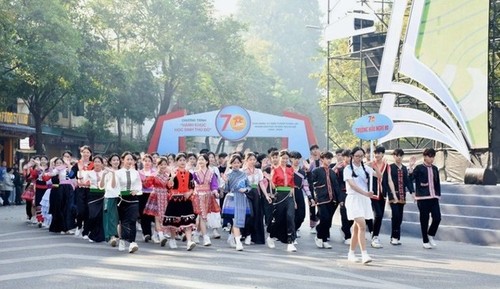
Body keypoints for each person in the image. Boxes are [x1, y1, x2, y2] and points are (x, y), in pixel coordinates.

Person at [344, 147, 374, 264]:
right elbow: (352, 185)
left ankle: (351, 253)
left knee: (357, 229)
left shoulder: (366, 168)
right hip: (353, 199)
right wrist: (366, 193)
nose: (359, 158)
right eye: (357, 156)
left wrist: (374, 165)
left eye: (361, 156)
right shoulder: (347, 169)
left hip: (364, 200)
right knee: (362, 225)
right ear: (352, 156)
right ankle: (364, 254)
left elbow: (380, 176)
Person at [163, 153, 197, 251]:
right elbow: (169, 186)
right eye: (180, 160)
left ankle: (189, 241)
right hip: (175, 200)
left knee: (188, 220)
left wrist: (189, 192)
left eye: (183, 160)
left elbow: (192, 187)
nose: (182, 162)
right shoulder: (173, 173)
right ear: (177, 162)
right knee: (174, 221)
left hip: (186, 200)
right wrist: (172, 177)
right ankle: (172, 239)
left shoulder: (189, 174)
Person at [410, 148, 441, 249]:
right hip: (423, 198)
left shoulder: (435, 168)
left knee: (437, 218)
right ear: (425, 156)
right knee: (424, 219)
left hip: (434, 197)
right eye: (429, 156)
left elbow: (437, 183)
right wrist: (410, 167)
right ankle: (425, 240)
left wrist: (438, 194)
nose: (431, 159)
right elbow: (410, 178)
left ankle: (430, 234)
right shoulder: (419, 168)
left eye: (433, 157)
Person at [268, 150, 297, 252]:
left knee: (290, 217)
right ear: (279, 158)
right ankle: (271, 236)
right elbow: (273, 185)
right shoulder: (275, 170)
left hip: (289, 195)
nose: (285, 160)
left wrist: (294, 200)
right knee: (279, 219)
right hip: (279, 195)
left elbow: (292, 185)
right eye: (283, 158)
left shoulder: (290, 170)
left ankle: (290, 242)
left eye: (286, 158)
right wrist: (271, 179)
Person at [368, 146, 397, 249]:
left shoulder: (386, 166)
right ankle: (374, 236)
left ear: (383, 154)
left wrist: (393, 194)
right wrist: (372, 166)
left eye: (379, 153)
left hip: (382, 194)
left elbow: (389, 180)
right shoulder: (370, 165)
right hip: (372, 193)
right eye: (375, 153)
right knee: (378, 215)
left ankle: (374, 234)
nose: (377, 155)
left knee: (379, 215)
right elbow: (375, 175)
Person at [312, 151, 341, 249]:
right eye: (326, 158)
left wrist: (340, 199)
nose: (329, 160)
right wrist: (313, 197)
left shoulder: (332, 172)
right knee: (324, 218)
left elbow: (336, 186)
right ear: (321, 159)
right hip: (321, 199)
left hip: (332, 200)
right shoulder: (316, 171)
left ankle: (324, 239)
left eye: (330, 158)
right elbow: (311, 183)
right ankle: (320, 237)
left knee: (328, 220)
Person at [222, 154, 251, 251]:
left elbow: (249, 187)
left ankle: (231, 238)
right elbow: (226, 189)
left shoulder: (244, 174)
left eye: (238, 162)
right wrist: (225, 182)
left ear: (241, 163)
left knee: (239, 220)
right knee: (235, 220)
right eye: (234, 163)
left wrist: (245, 190)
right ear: (231, 164)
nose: (236, 164)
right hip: (232, 198)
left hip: (242, 198)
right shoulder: (228, 175)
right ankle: (238, 242)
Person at [115, 152, 142, 253]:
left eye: (131, 159)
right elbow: (115, 185)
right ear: (123, 160)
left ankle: (132, 242)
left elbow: (139, 185)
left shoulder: (135, 172)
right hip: (121, 198)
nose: (130, 161)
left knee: (132, 220)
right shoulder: (118, 173)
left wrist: (136, 190)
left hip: (133, 198)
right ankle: (122, 240)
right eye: (128, 159)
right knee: (122, 221)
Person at [388, 148, 415, 245]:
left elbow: (408, 181)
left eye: (401, 155)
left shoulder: (404, 168)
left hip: (402, 195)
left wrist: (412, 192)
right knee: (395, 215)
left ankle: (395, 236)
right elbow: (387, 181)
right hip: (392, 195)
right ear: (394, 156)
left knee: (399, 217)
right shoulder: (390, 167)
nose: (399, 157)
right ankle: (394, 237)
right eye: (397, 155)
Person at [192, 154, 219, 247]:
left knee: (202, 216)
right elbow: (191, 185)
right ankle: (205, 237)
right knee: (202, 216)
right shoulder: (194, 173)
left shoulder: (211, 173)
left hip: (207, 196)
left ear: (207, 161)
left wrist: (215, 192)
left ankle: (196, 234)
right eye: (199, 159)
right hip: (198, 196)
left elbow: (214, 185)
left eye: (203, 159)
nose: (200, 161)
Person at [242, 152, 265, 245]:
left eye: (254, 160)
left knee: (257, 216)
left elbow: (261, 184)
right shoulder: (242, 171)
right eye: (250, 159)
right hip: (246, 193)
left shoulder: (259, 171)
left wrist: (266, 196)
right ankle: (247, 234)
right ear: (246, 160)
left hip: (256, 194)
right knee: (249, 215)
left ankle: (255, 237)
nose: (252, 161)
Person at [289, 151, 313, 238]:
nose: (297, 160)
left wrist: (310, 197)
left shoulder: (302, 172)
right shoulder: (288, 170)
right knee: (291, 214)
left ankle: (294, 229)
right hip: (289, 193)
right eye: (295, 158)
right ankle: (291, 232)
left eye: (298, 158)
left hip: (299, 193)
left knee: (301, 215)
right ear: (290, 159)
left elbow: (305, 185)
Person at [332, 149, 354, 245]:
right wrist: (340, 197)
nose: (348, 158)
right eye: (346, 156)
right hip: (342, 193)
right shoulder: (339, 168)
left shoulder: (355, 167)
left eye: (350, 156)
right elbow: (336, 183)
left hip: (353, 194)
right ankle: (347, 236)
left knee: (353, 216)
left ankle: (344, 229)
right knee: (344, 214)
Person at [100, 153, 121, 247]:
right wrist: (105, 175)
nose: (116, 162)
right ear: (110, 162)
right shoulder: (106, 172)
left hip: (120, 197)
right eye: (114, 160)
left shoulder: (122, 172)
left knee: (119, 218)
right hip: (109, 197)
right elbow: (101, 186)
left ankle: (120, 236)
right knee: (111, 217)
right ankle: (112, 236)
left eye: (117, 160)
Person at [138, 154, 156, 243]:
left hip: (152, 195)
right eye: (145, 161)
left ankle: (155, 233)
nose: (147, 163)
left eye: (149, 161)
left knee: (151, 214)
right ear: (142, 162)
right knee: (143, 214)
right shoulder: (139, 173)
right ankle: (146, 233)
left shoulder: (155, 173)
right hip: (142, 194)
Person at [304, 144, 321, 231]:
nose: (315, 151)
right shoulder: (307, 161)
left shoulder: (321, 160)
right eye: (313, 149)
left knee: (321, 204)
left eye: (316, 149)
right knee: (312, 204)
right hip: (310, 185)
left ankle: (317, 219)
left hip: (321, 185)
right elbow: (306, 171)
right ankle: (312, 225)